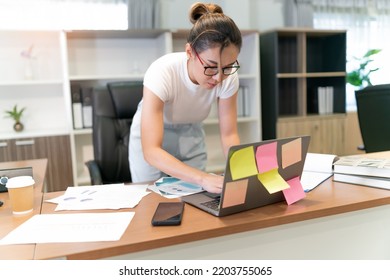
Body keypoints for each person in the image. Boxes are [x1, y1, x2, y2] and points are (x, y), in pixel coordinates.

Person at [129, 2, 242, 193]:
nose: (219, 77)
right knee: (151, 201)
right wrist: (203, 178)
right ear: (190, 52)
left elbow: (229, 134)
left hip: (191, 133)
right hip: (153, 138)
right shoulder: (162, 71)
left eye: (228, 67)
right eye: (211, 66)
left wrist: (244, 173)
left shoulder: (228, 78)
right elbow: (151, 150)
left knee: (195, 202)